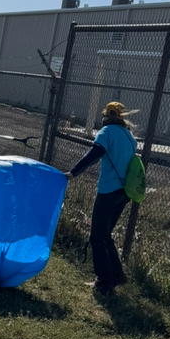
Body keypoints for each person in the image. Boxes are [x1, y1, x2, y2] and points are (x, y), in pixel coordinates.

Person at [66, 100, 138, 295]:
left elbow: (95, 153)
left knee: (97, 237)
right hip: (125, 193)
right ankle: (116, 274)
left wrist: (73, 172)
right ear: (121, 118)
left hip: (108, 190)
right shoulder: (130, 137)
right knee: (105, 235)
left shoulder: (106, 132)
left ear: (106, 116)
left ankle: (104, 281)